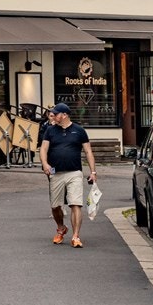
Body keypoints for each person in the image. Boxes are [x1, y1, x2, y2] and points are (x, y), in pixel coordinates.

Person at [39, 102, 97, 248]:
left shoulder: (79, 130)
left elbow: (88, 151)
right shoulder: (50, 130)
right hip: (56, 173)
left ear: (64, 115)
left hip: (74, 172)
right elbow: (43, 149)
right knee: (55, 207)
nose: (53, 115)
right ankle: (61, 228)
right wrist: (45, 164)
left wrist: (93, 172)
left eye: (56, 113)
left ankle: (76, 236)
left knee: (75, 204)